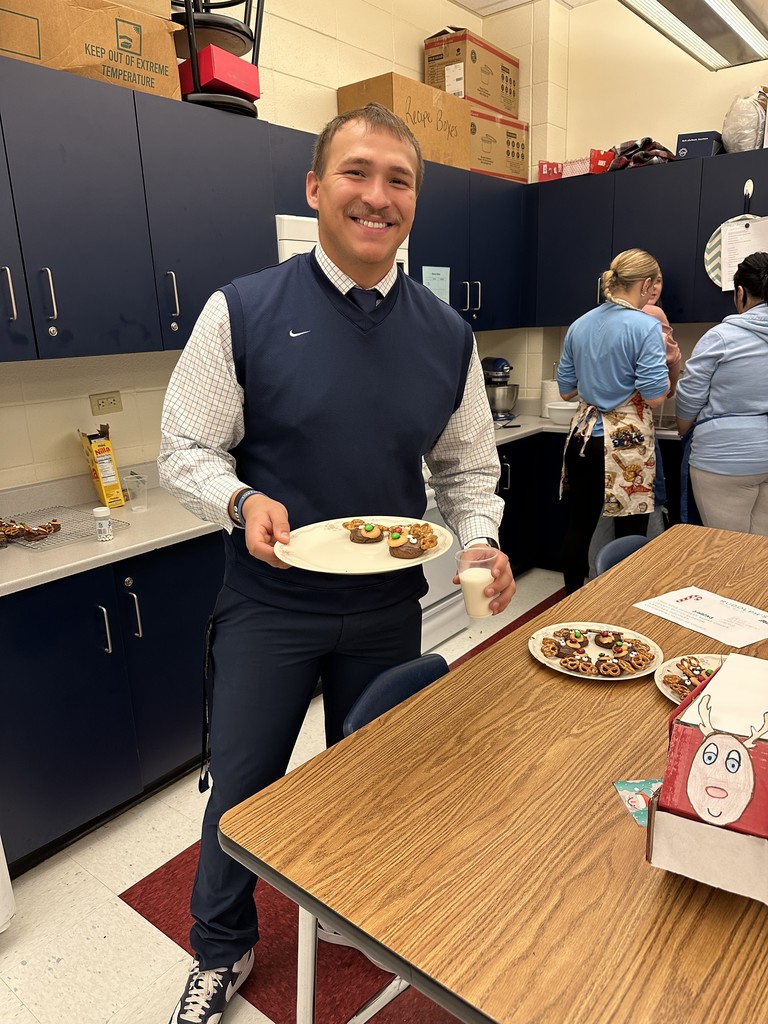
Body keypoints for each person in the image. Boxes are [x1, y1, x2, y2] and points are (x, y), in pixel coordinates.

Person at [158, 102, 515, 1024]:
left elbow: (468, 467)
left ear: (414, 203)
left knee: (372, 776)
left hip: (389, 604)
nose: (377, 196)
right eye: (357, 173)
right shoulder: (243, 310)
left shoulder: (447, 334)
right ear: (316, 188)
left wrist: (479, 536)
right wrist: (240, 501)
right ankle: (221, 947)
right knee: (243, 790)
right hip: (270, 601)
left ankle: (345, 908)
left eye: (400, 181)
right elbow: (185, 448)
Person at [556, 249, 670, 594]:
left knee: (578, 525)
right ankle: (620, 603)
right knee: (630, 533)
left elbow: (566, 391)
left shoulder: (579, 324)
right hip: (625, 444)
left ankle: (571, 600)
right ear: (645, 285)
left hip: (583, 439)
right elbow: (655, 396)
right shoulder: (646, 326)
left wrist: (598, 380)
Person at [675, 251, 768, 535]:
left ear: (740, 293)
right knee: (761, 548)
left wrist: (685, 430)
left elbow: (690, 393)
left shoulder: (721, 337)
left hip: (723, 458)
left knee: (726, 547)